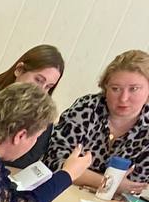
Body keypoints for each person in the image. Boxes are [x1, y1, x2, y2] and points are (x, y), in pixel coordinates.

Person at [47, 49, 149, 194]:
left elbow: (134, 186)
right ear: (105, 88)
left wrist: (82, 175)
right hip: (63, 192)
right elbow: (54, 163)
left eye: (134, 89)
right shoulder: (87, 107)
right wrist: (108, 183)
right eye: (115, 89)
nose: (123, 98)